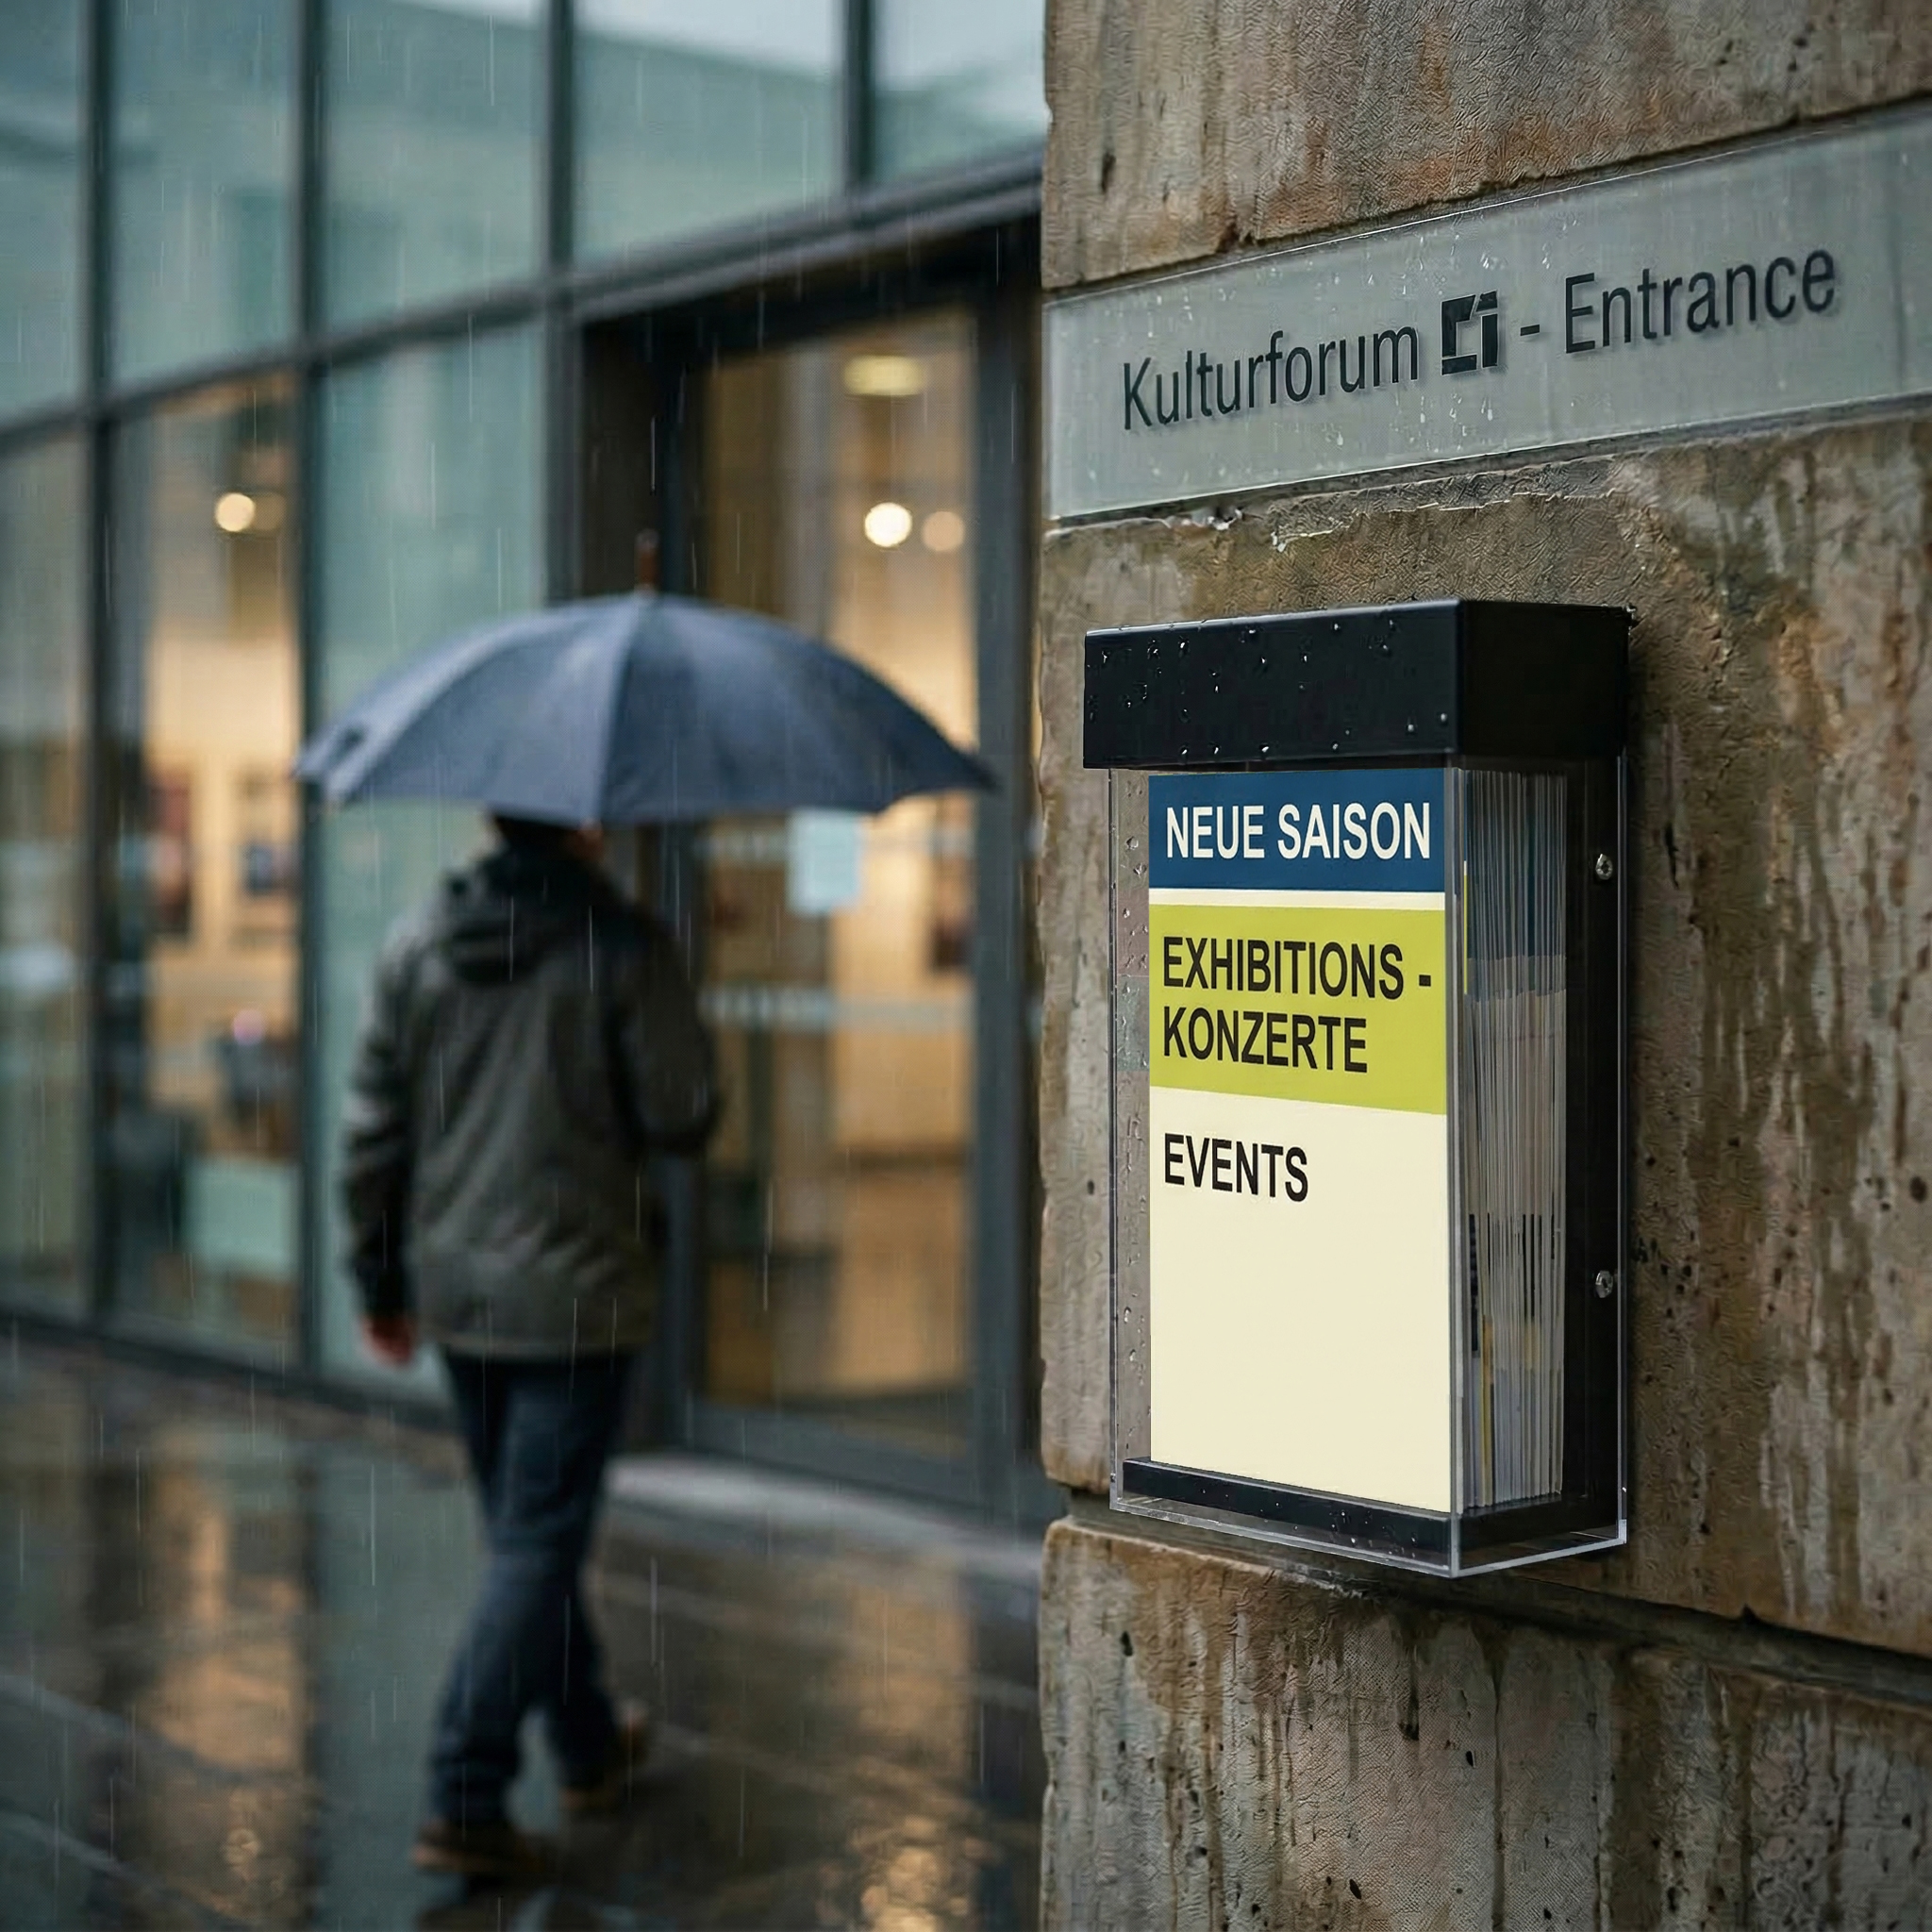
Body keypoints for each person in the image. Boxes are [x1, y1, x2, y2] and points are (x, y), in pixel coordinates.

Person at [341, 814, 716, 1881]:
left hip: (462, 1295)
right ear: (588, 824)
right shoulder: (621, 946)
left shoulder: (418, 942)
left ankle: (589, 1742)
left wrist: (379, 1277)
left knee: (522, 1525)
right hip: (578, 1294)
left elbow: (374, 1127)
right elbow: (686, 1109)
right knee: (535, 1540)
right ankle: (465, 1789)